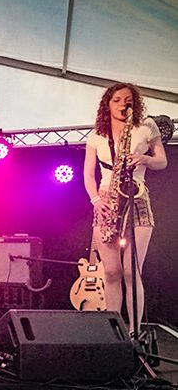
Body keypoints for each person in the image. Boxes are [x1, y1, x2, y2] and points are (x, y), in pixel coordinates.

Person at [83, 82, 167, 332]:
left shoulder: (146, 126)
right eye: (117, 100)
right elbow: (88, 174)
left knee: (131, 271)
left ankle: (134, 331)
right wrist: (96, 201)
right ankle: (114, 332)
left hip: (136, 197)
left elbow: (162, 161)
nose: (122, 104)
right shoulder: (96, 134)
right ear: (107, 104)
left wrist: (144, 158)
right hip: (106, 199)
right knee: (111, 272)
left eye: (127, 100)